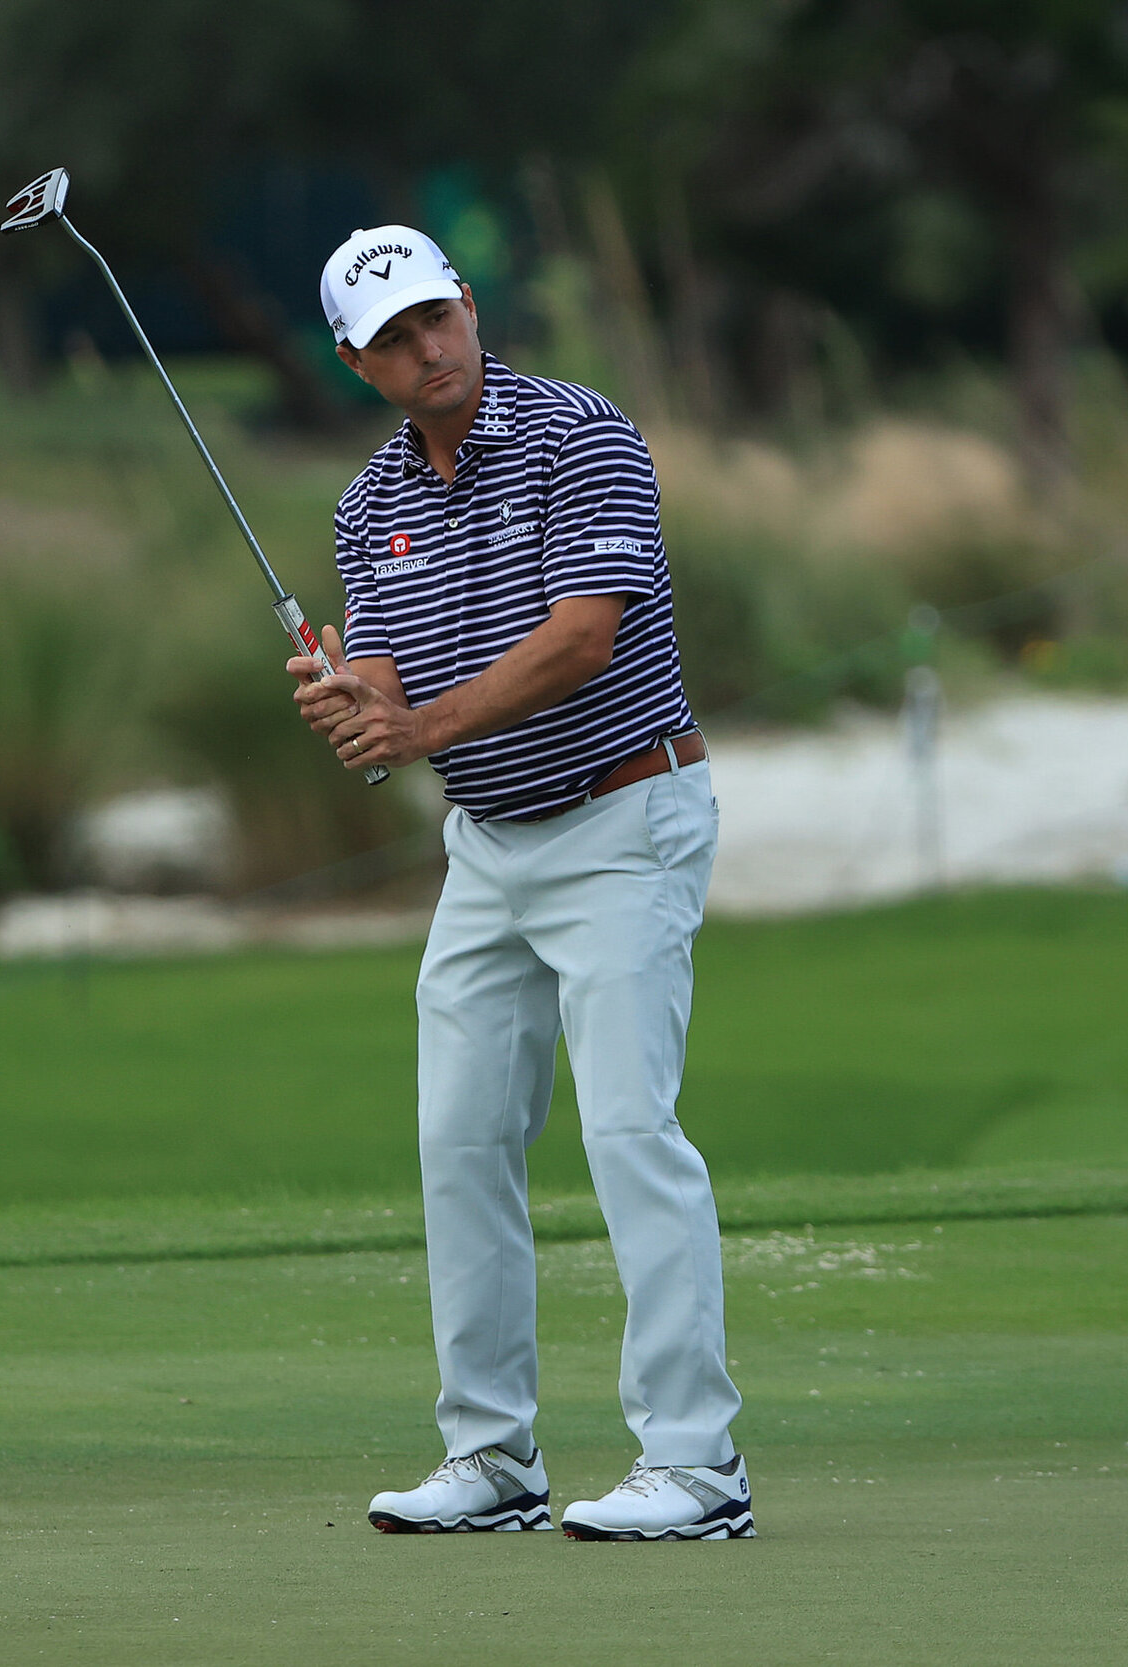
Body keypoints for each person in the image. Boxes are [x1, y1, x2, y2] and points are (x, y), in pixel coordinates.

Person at [289, 225, 750, 1542]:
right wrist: (347, 700)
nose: (425, 347)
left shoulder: (581, 436)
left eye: (436, 317)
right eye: (391, 337)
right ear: (355, 361)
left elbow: (584, 638)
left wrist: (419, 729)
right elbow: (386, 674)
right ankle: (492, 1457)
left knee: (626, 1131)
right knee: (460, 1139)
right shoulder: (367, 505)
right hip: (490, 846)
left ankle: (697, 1465)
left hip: (623, 813)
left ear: (471, 308)